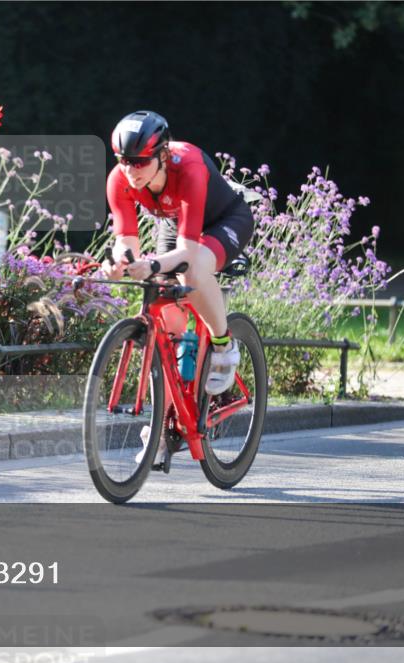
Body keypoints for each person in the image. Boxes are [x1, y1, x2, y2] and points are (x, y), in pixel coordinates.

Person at [100, 111, 254, 462]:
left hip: (225, 219)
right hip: (178, 221)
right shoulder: (119, 180)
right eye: (123, 160)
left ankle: (223, 344)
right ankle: (162, 429)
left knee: (191, 272)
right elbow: (126, 239)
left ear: (163, 156)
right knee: (167, 318)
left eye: (139, 161)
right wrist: (120, 262)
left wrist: (153, 264)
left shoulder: (189, 168)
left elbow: (186, 253)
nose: (130, 169)